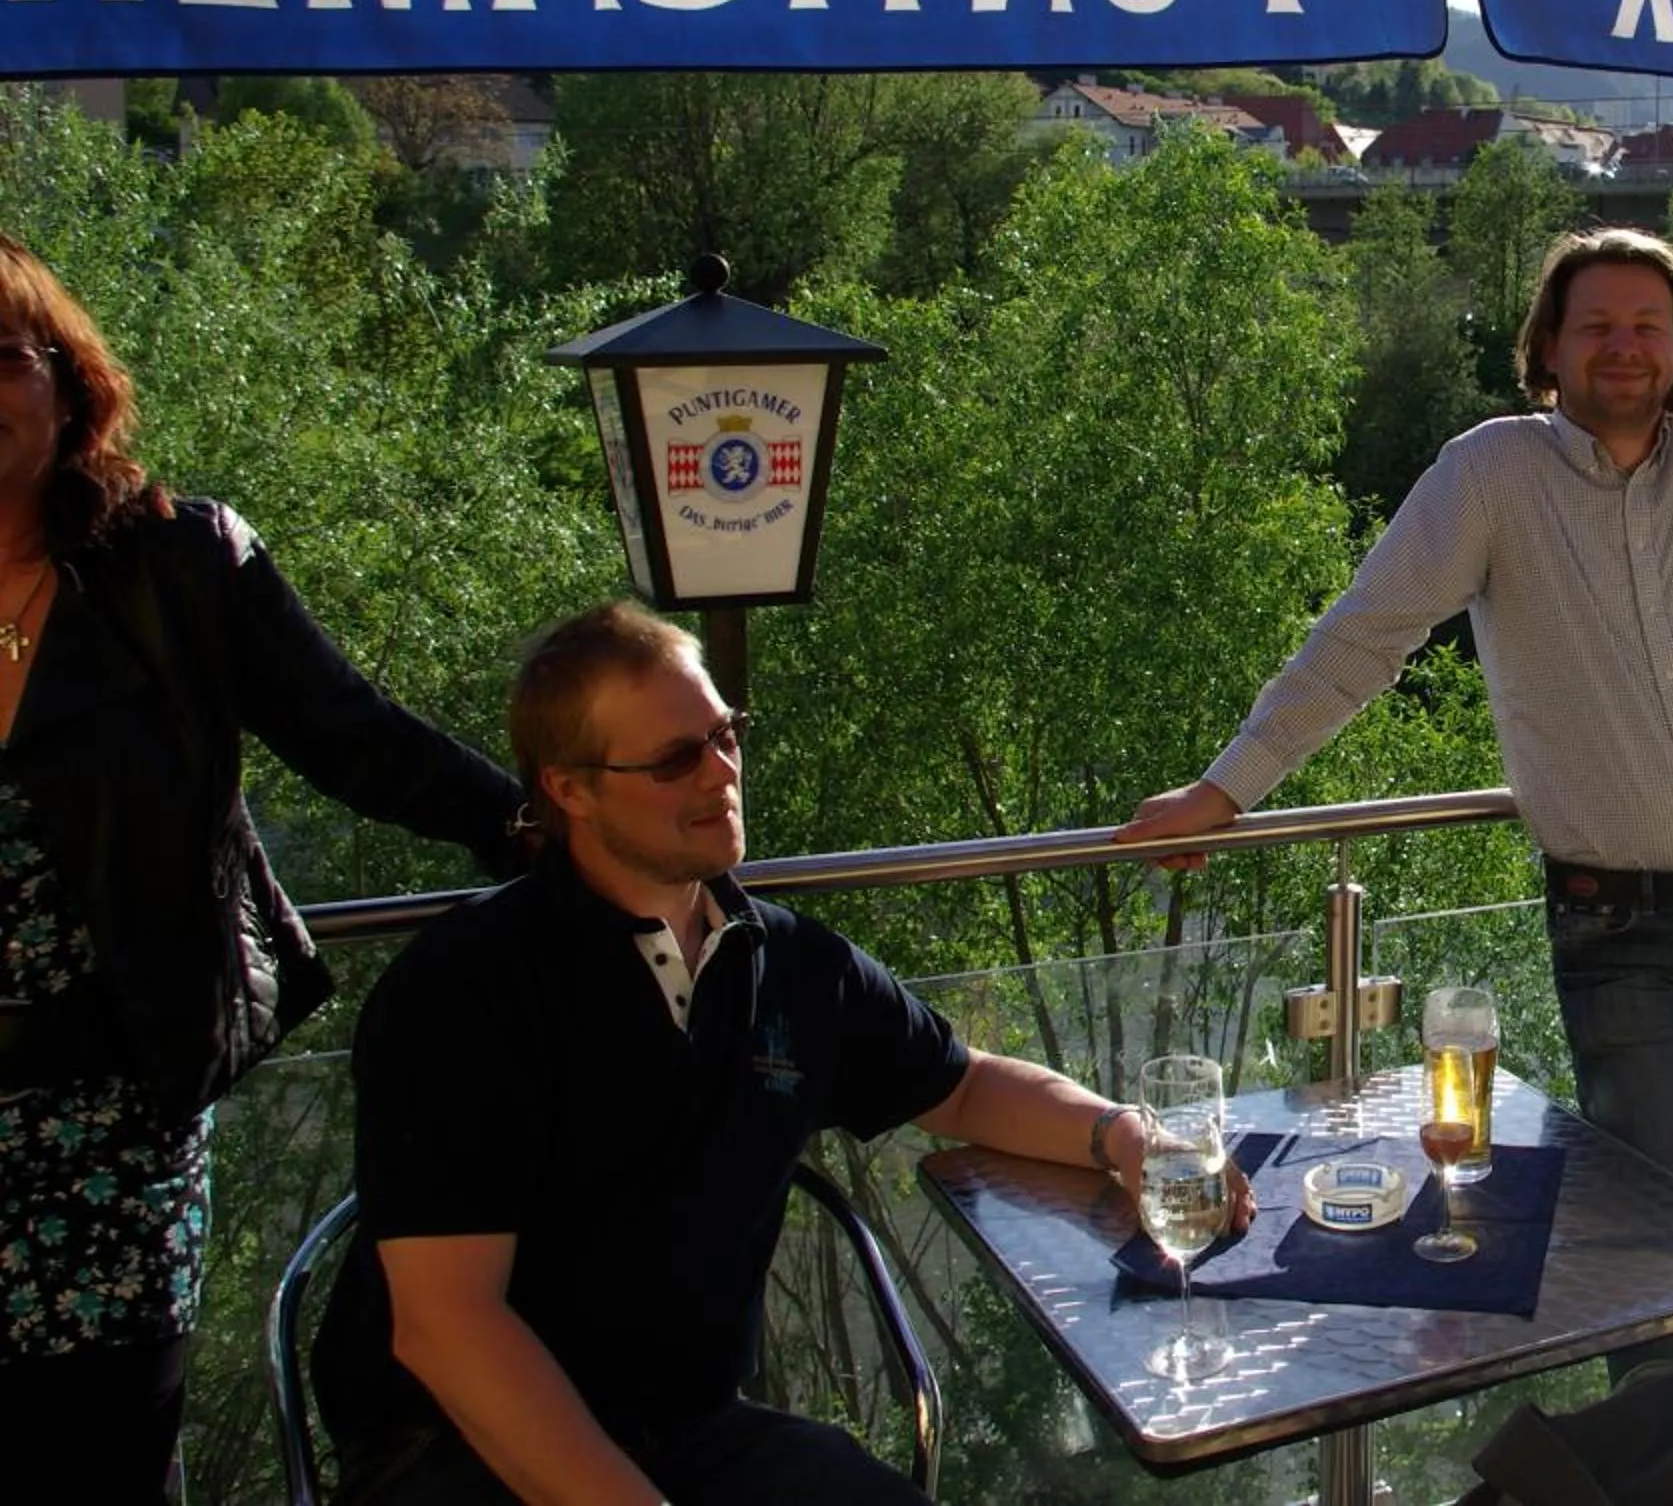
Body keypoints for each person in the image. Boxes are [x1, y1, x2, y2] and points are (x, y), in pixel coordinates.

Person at [1120, 226, 1673, 1288]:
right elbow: (1364, 637)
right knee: (1650, 1246)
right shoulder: (1488, 476)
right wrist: (1225, 789)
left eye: (1649, 324)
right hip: (1621, 935)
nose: (1625, 344)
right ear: (1548, 348)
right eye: (1597, 324)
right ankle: (1659, 1452)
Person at [317, 601, 1249, 1505]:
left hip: (697, 1434)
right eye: (676, 757)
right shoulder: (466, 989)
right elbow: (448, 1326)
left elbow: (962, 1088)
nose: (720, 773)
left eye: (727, 735)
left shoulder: (787, 964)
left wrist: (1127, 1137)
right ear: (569, 788)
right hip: (462, 1452)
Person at [0, 234, 524, 1504]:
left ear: (66, 383)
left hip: (109, 1124)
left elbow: (355, 738)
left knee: (105, 1458)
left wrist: (547, 828)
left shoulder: (176, 565)